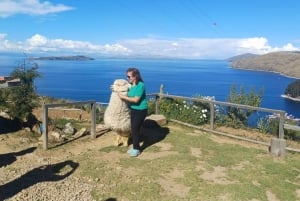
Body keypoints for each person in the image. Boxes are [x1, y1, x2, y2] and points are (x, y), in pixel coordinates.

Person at [118, 67, 148, 157]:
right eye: (127, 76)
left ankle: (136, 149)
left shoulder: (141, 85)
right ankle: (135, 147)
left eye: (129, 76)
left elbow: (136, 100)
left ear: (135, 76)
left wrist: (123, 97)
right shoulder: (131, 86)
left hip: (141, 110)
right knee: (134, 129)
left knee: (135, 130)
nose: (128, 78)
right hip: (134, 110)